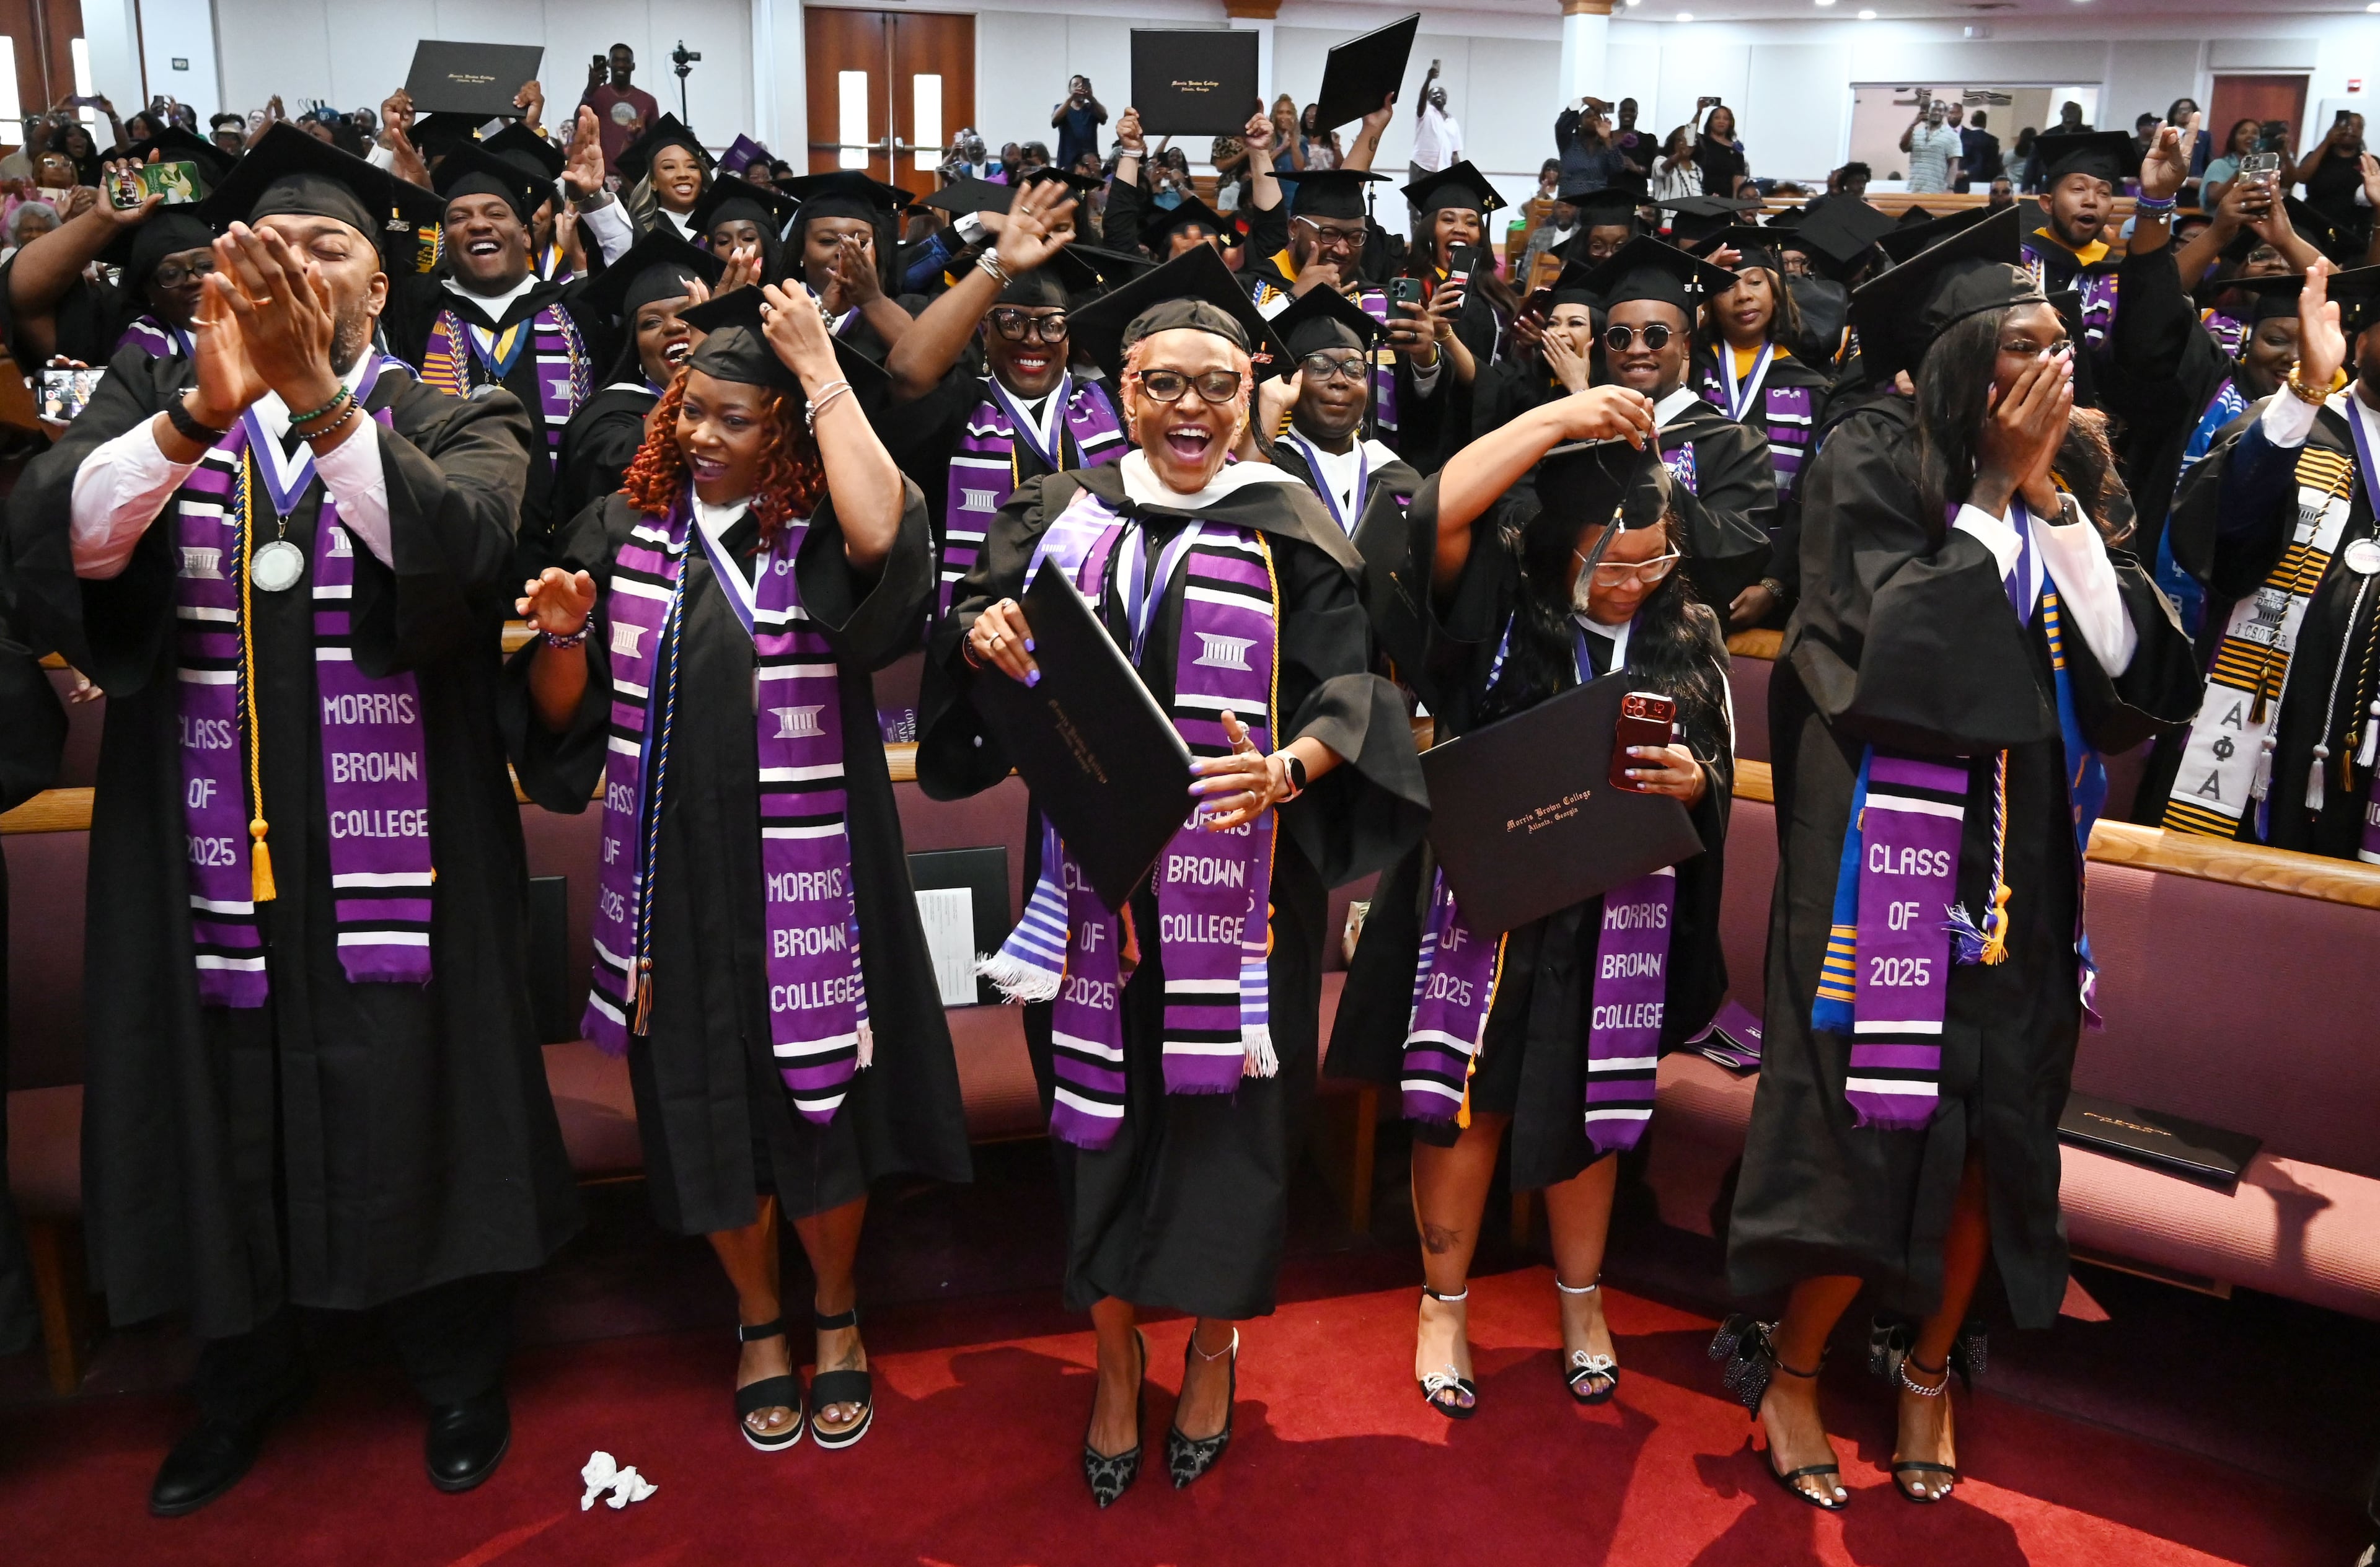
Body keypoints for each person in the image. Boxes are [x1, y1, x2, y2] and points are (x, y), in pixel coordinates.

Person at [4, 125, 577, 1517]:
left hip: (407, 837)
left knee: (422, 1070)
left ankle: (453, 1363)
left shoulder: (453, 411)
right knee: (216, 1086)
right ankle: (241, 1376)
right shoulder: (154, 395)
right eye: (268, 248)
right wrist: (195, 415)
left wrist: (323, 406)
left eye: (333, 247)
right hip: (201, 843)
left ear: (383, 289)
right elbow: (56, 544)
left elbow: (458, 549)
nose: (299, 267)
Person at [916, 248, 1426, 1506]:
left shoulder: (1289, 522)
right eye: (1159, 385)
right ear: (1121, 389)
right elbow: (985, 612)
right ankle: (1109, 1355)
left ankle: (1208, 1347)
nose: (1188, 410)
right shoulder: (1061, 508)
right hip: (1088, 891)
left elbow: (1350, 689)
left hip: (1242, 901)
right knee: (1095, 1122)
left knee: (1230, 1132)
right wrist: (982, 626)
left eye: (1214, 384)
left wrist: (1294, 769)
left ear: (1257, 391)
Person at [1719, 207, 2197, 1511]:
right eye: (2027, 348)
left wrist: (2050, 494)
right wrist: (1992, 493)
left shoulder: (2070, 468)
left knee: (2000, 1115)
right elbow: (1880, 652)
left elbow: (2126, 676)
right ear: (1960, 360)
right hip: (1886, 849)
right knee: (1867, 1114)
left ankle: (1930, 1363)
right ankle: (1800, 1366)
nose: (2060, 372)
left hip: (2026, 851)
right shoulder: (1867, 454)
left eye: (2067, 347)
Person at [509, 279, 969, 1455]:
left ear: (784, 436)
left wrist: (823, 373)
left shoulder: (814, 531)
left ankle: (837, 1311)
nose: (703, 435)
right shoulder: (624, 530)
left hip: (816, 868)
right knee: (704, 1100)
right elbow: (566, 724)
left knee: (825, 1105)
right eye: (690, 411)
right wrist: (564, 633)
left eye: (734, 418)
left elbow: (887, 543)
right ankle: (757, 1317)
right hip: (674, 879)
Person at [1332, 401, 1732, 1420]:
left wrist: (1699, 785)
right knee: (1465, 1107)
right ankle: (1443, 1304)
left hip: (1614, 918)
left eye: (1655, 561)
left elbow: (1712, 782)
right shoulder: (1506, 612)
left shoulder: (1688, 634)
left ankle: (1583, 1299)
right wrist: (1561, 416)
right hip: (1488, 903)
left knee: (1591, 1116)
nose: (1633, 582)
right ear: (1560, 550)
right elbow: (1432, 515)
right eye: (1613, 563)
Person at [2142, 263, 2380, 860]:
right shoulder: (2294, 428)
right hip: (2264, 740)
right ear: (2362, 334)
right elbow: (2225, 533)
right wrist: (2304, 394)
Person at [377, 127, 633, 576]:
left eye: (496, 212)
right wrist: (410, 195)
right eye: (458, 217)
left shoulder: (575, 308)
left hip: (568, 553)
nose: (478, 224)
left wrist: (597, 202)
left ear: (526, 233)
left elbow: (631, 280)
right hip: (451, 554)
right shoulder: (419, 308)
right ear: (445, 237)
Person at [881, 178, 1127, 613]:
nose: (1033, 340)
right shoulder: (960, 406)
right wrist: (1000, 265)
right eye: (1011, 321)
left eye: (1052, 324)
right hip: (971, 639)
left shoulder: (1110, 405)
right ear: (984, 330)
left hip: (1095, 638)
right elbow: (906, 370)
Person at [1579, 236, 1774, 611]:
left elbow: (1738, 556)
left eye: (1656, 336)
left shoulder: (1734, 444)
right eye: (1621, 337)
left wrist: (1651, 470)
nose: (1637, 349)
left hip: (1676, 642)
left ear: (1685, 347)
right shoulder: (1570, 428)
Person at [1241, 145, 1453, 468]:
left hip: (1360, 473)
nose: (1342, 249)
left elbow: (1419, 416)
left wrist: (1426, 360)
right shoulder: (1249, 290)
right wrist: (1293, 299)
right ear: (1294, 229)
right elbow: (1230, 359)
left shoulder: (1381, 304)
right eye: (1328, 234)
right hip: (1262, 463)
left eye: (1356, 236)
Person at [1696, 226, 1833, 629]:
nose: (1743, 296)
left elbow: (1811, 498)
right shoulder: (1690, 372)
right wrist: (1694, 291)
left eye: (1755, 282)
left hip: (1770, 576)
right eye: (1726, 286)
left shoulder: (1810, 387)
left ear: (1775, 289)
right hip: (1685, 565)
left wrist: (1776, 584)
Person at [550, 226, 726, 527]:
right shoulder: (608, 413)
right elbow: (622, 473)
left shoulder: (740, 404)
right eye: (652, 322)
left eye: (688, 315)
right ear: (635, 345)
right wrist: (694, 355)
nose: (673, 327)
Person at [1261, 284, 1424, 532]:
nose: (1340, 380)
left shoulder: (1395, 475)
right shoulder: (1270, 469)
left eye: (1353, 368)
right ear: (1289, 379)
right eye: (1320, 365)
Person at [617, 113, 712, 240]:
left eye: (692, 167)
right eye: (669, 167)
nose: (683, 174)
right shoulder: (642, 233)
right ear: (653, 182)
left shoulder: (717, 228)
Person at [582, 42, 663, 177]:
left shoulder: (648, 101)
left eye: (626, 61)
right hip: (602, 174)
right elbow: (577, 122)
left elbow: (657, 141)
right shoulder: (597, 95)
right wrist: (589, 90)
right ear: (609, 63)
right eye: (616, 60)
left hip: (636, 175)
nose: (621, 65)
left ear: (633, 66)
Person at [2297, 113, 2371, 252]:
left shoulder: (2369, 161)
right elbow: (2301, 177)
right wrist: (2327, 141)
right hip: (2313, 227)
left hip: (2354, 232)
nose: (2351, 130)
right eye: (2347, 125)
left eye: (2358, 126)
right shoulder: (2317, 157)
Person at [1555, 99, 1630, 196]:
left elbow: (1618, 168)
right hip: (1570, 203)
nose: (1595, 119)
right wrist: (1583, 101)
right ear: (1579, 123)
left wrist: (1607, 139)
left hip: (1597, 204)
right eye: (1589, 116)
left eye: (1598, 117)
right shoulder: (1568, 142)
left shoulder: (1606, 146)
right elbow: (1562, 125)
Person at [1901, 97, 1964, 196]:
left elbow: (1954, 165)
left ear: (1945, 114)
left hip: (1936, 191)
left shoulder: (1952, 136)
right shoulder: (1916, 134)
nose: (1937, 113)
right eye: (1934, 109)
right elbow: (1903, 147)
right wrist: (1913, 124)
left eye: (1941, 110)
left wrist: (1950, 187)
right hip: (1913, 190)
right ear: (1928, 111)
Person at [1411, 62, 1461, 185]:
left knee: (1440, 203)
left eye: (1442, 93)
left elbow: (1454, 153)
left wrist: (1461, 173)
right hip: (1421, 166)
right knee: (1418, 202)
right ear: (1429, 99)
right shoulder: (1425, 112)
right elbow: (1421, 100)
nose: (1439, 95)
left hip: (1443, 170)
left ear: (1446, 99)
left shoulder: (1452, 122)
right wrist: (1428, 80)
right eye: (1434, 93)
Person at [1696, 102, 1750, 201]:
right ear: (1710, 122)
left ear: (1730, 123)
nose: (1721, 121)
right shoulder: (1702, 141)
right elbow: (1689, 135)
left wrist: (1735, 205)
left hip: (1726, 200)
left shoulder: (1736, 150)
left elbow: (1738, 179)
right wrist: (1699, 112)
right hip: (1701, 196)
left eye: (1726, 119)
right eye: (1717, 118)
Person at [1053, 76, 1109, 171]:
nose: (1079, 88)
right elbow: (1055, 119)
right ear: (1070, 90)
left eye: (1082, 85)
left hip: (1089, 162)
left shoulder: (1092, 108)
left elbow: (1104, 116)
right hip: (1067, 161)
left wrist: (1091, 98)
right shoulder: (1063, 108)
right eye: (1075, 85)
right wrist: (1071, 98)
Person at [1958, 108, 2003, 194]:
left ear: (1971, 122)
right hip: (1985, 182)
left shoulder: (1963, 137)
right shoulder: (1993, 140)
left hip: (1964, 181)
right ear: (1985, 124)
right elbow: (1995, 165)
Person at [1651, 127, 1701, 204]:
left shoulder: (1698, 170)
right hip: (1667, 215)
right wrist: (1680, 154)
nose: (1686, 143)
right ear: (1673, 143)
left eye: (1690, 140)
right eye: (1681, 140)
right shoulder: (1660, 160)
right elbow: (1662, 170)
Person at [1298, 102, 1342, 173]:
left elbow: (1339, 165)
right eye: (1308, 115)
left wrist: (1336, 146)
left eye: (1315, 115)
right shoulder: (1300, 139)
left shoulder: (1331, 138)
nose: (1311, 118)